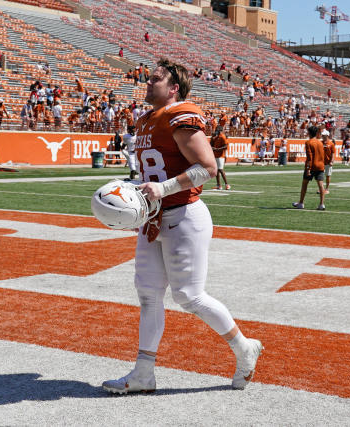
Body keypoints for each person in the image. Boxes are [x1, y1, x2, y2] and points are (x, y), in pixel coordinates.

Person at [102, 58, 263, 395]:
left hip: (184, 214)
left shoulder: (180, 114)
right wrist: (135, 201)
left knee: (189, 295)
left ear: (174, 88)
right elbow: (153, 172)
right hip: (153, 218)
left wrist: (162, 189)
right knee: (148, 295)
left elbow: (207, 167)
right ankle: (144, 374)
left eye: (156, 79)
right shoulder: (145, 119)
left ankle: (244, 347)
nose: (148, 83)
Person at [293, 125, 325, 210]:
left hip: (312, 166)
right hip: (320, 165)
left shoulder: (308, 142)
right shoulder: (320, 142)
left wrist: (308, 169)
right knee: (321, 185)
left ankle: (301, 203)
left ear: (309, 133)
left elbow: (309, 157)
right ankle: (321, 204)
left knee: (304, 184)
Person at [321, 131, 335, 195]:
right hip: (321, 162)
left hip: (328, 162)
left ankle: (327, 189)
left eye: (324, 135)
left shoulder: (331, 143)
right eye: (322, 135)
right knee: (320, 176)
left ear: (327, 136)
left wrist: (332, 161)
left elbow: (333, 153)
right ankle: (321, 189)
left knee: (328, 176)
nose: (322, 136)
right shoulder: (320, 143)